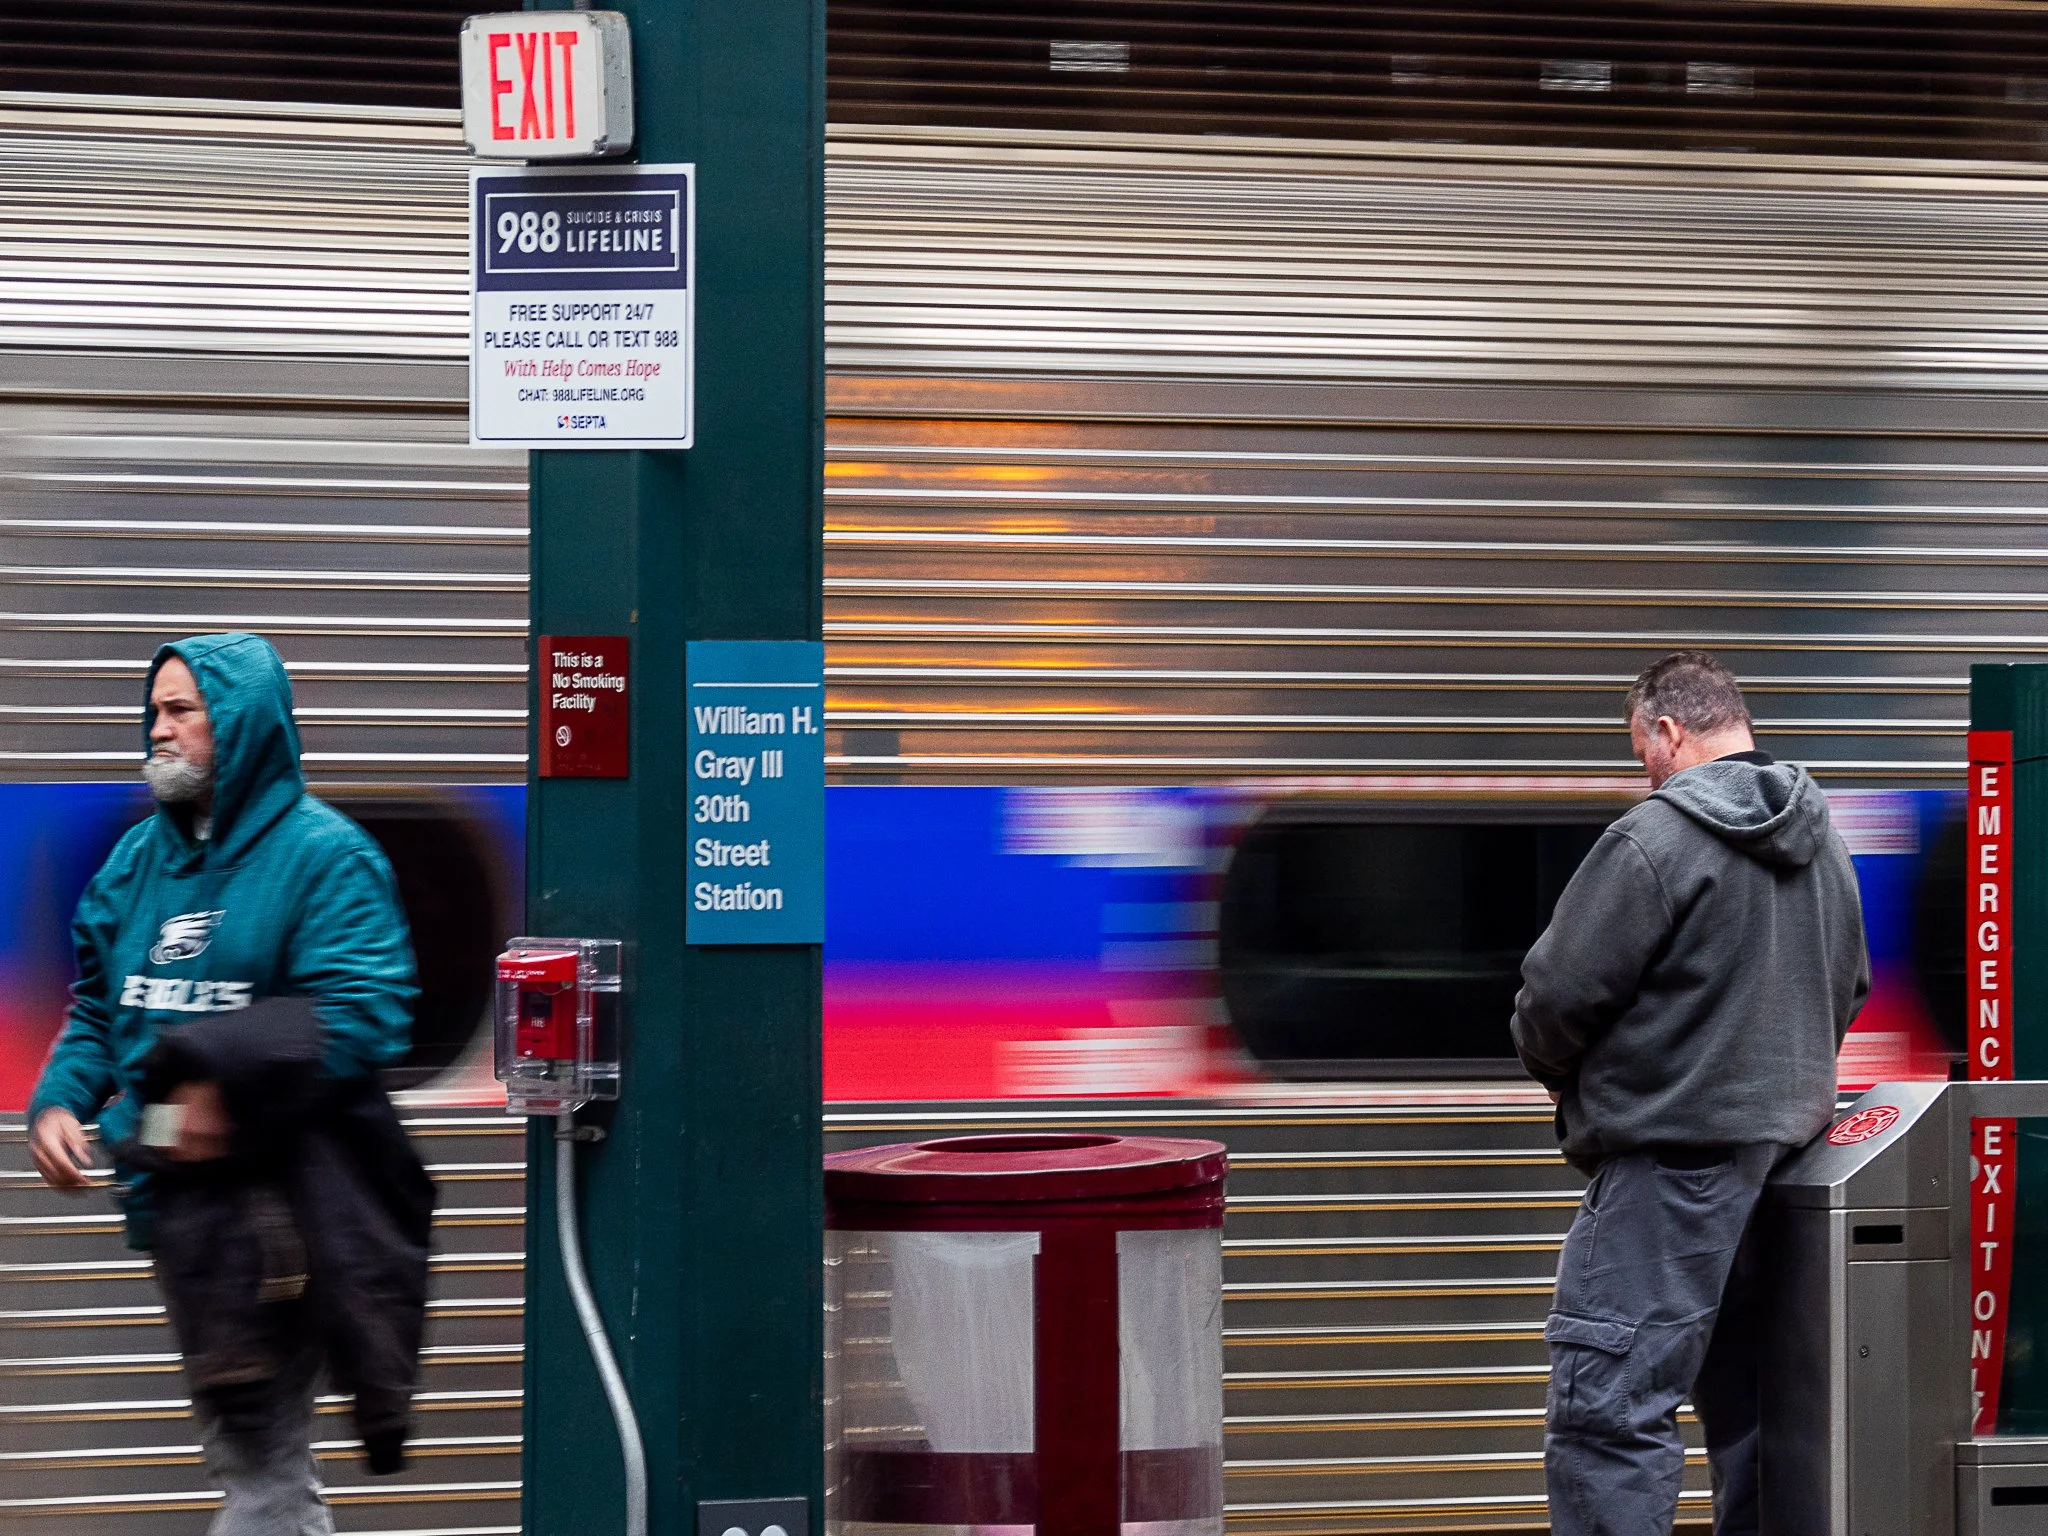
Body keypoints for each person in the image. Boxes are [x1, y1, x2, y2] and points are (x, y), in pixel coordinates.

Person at [26, 632, 425, 1536]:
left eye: (181, 711)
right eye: (153, 711)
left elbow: (368, 1008)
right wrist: (58, 1099)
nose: (157, 730)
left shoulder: (325, 857)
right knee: (258, 1456)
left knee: (259, 1458)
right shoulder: (138, 862)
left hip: (281, 1213)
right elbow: (100, 1006)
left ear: (240, 723)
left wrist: (222, 1081)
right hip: (185, 1211)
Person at [1511, 651, 1869, 1536]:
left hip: (1668, 1171)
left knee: (1611, 1408)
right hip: (1788, 1170)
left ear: (1668, 730)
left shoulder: (1656, 839)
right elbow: (1851, 984)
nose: (1643, 766)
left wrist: (1581, 1082)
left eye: (1640, 746)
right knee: (1759, 1418)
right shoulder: (1828, 846)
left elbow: (1553, 999)